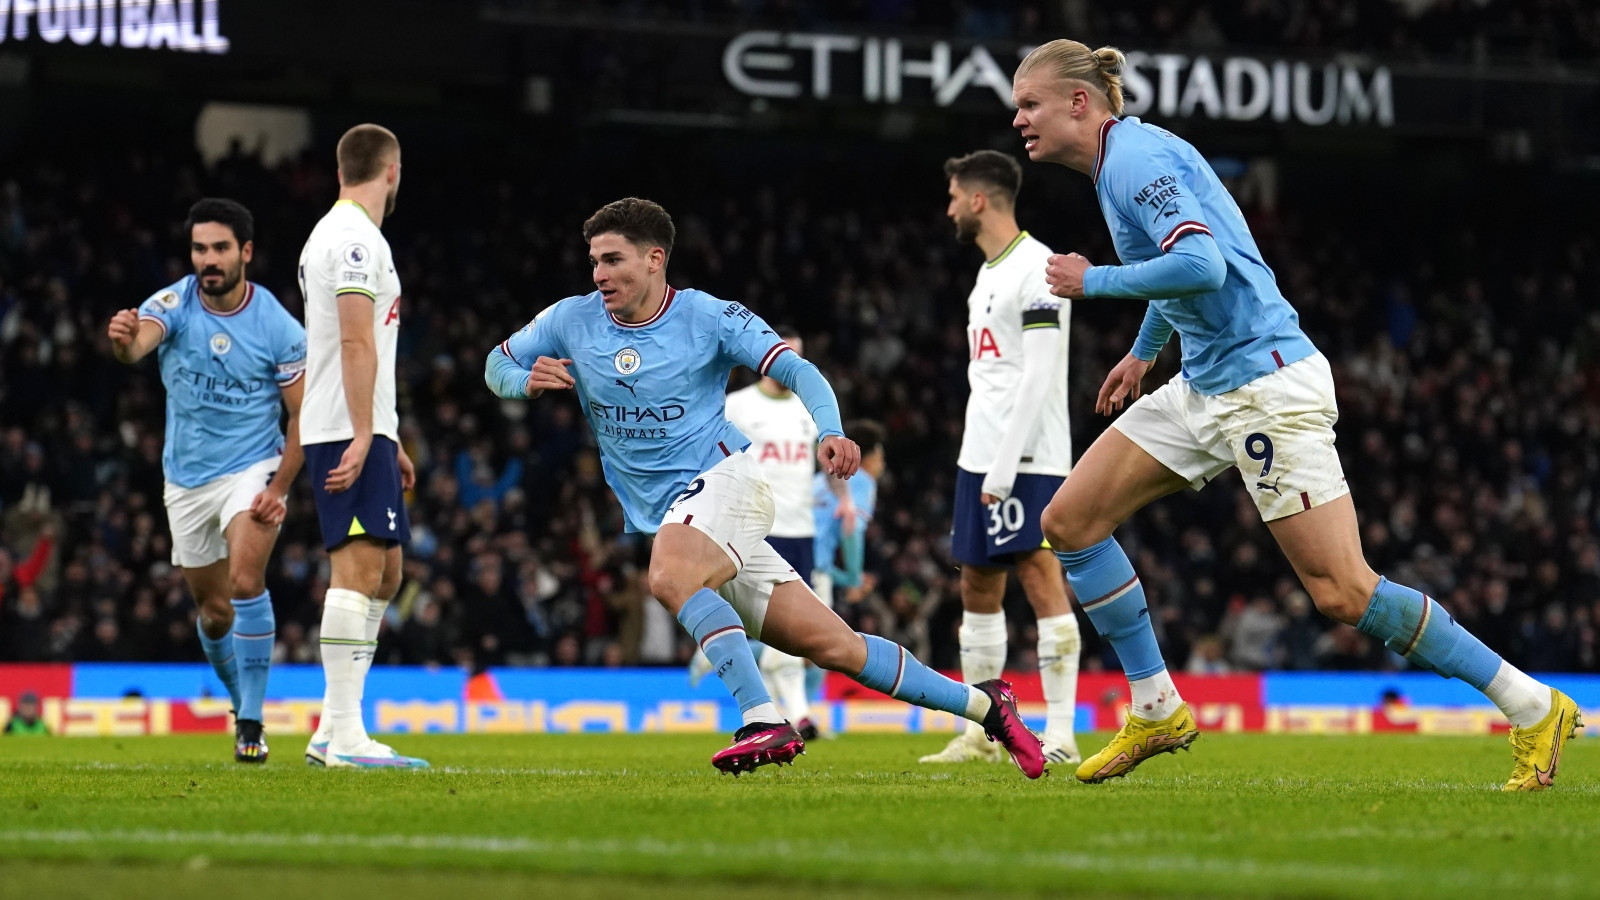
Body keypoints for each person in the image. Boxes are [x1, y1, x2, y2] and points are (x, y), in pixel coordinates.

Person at [1012, 39, 1580, 790]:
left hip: (1264, 387)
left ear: (1078, 103)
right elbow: (1185, 273)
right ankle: (1155, 707)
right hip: (1205, 382)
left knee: (1344, 592)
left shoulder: (1133, 162)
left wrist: (1097, 281)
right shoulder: (1124, 157)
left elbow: (1203, 263)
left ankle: (1533, 704)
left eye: (1029, 104)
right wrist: (1147, 352)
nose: (1018, 120)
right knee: (1071, 522)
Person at [485, 198, 1045, 777]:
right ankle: (987, 706)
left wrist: (830, 429)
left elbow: (797, 370)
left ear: (655, 259)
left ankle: (762, 719)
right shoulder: (569, 319)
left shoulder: (711, 318)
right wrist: (524, 381)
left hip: (725, 481)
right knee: (837, 648)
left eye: (612, 260)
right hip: (676, 512)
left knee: (669, 576)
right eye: (594, 262)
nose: (598, 275)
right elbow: (494, 365)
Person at [107, 198, 304, 764]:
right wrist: (123, 341)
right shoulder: (173, 303)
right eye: (199, 249)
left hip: (252, 468)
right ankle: (239, 695)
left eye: (220, 248)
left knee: (246, 582)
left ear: (245, 252)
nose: (208, 260)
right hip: (186, 479)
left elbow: (303, 416)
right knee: (215, 612)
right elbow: (138, 343)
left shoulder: (277, 326)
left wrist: (279, 488)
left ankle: (251, 723)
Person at [921, 149, 1083, 768]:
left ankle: (1063, 732)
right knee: (977, 587)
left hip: (1030, 456)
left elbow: (1041, 376)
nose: (951, 207)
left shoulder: (1038, 267)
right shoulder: (988, 273)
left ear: (980, 199)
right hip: (981, 454)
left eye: (955, 195)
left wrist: (1007, 465)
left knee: (1040, 578)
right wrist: (985, 462)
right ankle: (979, 731)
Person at [297, 123, 426, 769]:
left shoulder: (349, 234)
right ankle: (345, 738)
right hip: (342, 426)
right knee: (358, 566)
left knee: (387, 571)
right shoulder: (352, 239)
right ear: (392, 171)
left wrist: (387, 433)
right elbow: (353, 341)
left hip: (363, 424)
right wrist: (360, 432)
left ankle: (330, 727)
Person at [722, 326, 855, 739]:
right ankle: (797, 714)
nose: (788, 365)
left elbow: (825, 462)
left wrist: (844, 499)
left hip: (804, 529)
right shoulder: (737, 406)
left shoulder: (806, 410)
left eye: (796, 358)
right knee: (777, 628)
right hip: (758, 527)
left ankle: (793, 712)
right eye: (783, 356)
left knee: (805, 627)